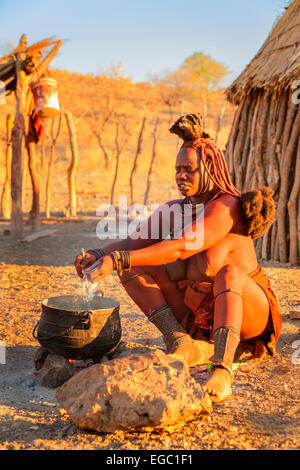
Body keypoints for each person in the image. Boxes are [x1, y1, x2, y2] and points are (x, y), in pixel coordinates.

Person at [74, 113, 281, 402]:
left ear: (209, 169)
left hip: (247, 313)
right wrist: (97, 256)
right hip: (199, 316)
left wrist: (120, 258)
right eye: (177, 169)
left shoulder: (227, 206)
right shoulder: (175, 210)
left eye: (189, 169)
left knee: (229, 273)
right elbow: (133, 242)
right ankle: (180, 341)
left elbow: (184, 246)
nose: (181, 175)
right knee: (135, 263)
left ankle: (222, 368)